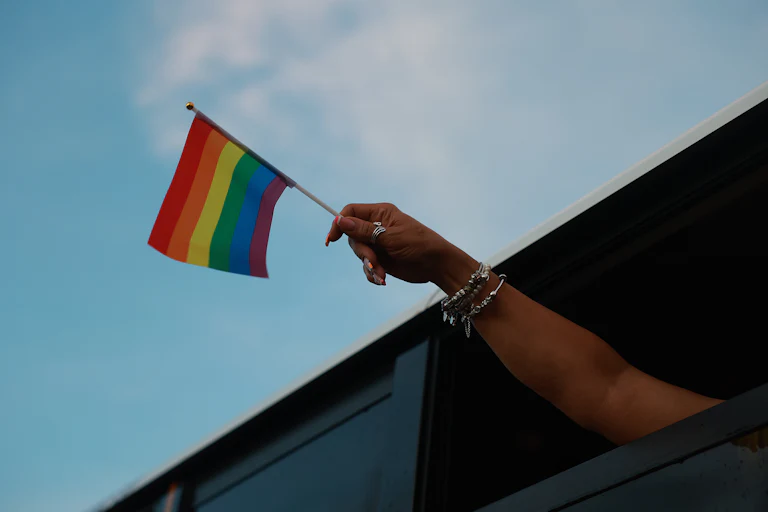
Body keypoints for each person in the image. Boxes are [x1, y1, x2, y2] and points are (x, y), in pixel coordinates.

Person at [326, 202, 722, 446]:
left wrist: (445, 266)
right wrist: (441, 263)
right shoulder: (741, 439)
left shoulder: (743, 438)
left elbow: (609, 394)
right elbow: (609, 393)